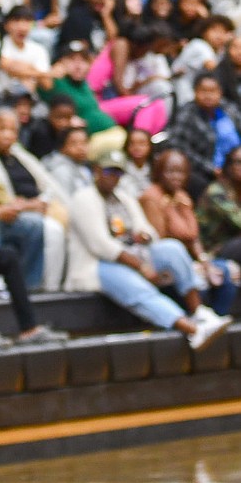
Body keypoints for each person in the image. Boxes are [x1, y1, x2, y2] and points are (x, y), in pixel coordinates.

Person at [64, 151, 232, 350]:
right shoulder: (84, 198)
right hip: (98, 264)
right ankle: (193, 331)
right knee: (136, 287)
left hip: (136, 254)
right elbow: (100, 245)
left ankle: (200, 313)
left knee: (171, 248)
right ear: (97, 171)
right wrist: (142, 266)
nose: (113, 177)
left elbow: (147, 230)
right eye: (109, 171)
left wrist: (144, 236)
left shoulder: (123, 197)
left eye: (118, 173)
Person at [0, 107, 68, 291]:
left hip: (20, 212)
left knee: (39, 225)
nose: (8, 135)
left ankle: (31, 287)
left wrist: (34, 204)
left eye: (13, 130)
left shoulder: (20, 156)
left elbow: (44, 186)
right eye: (2, 129)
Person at [139, 150, 238, 315]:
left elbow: (194, 237)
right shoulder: (152, 198)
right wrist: (171, 209)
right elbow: (161, 242)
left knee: (223, 273)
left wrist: (205, 263)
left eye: (181, 172)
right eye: (170, 171)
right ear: (159, 172)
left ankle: (216, 322)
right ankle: (199, 321)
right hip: (167, 264)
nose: (176, 177)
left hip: (189, 259)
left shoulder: (182, 196)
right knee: (201, 283)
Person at [167, 71, 241, 201]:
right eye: (203, 91)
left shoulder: (229, 109)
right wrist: (210, 168)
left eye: (213, 91)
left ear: (220, 92)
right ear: (195, 92)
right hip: (205, 170)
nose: (208, 95)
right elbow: (178, 147)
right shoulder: (187, 114)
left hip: (234, 165)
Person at [196, 144, 241, 266]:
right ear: (229, 165)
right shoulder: (217, 191)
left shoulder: (238, 189)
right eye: (238, 162)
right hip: (213, 251)